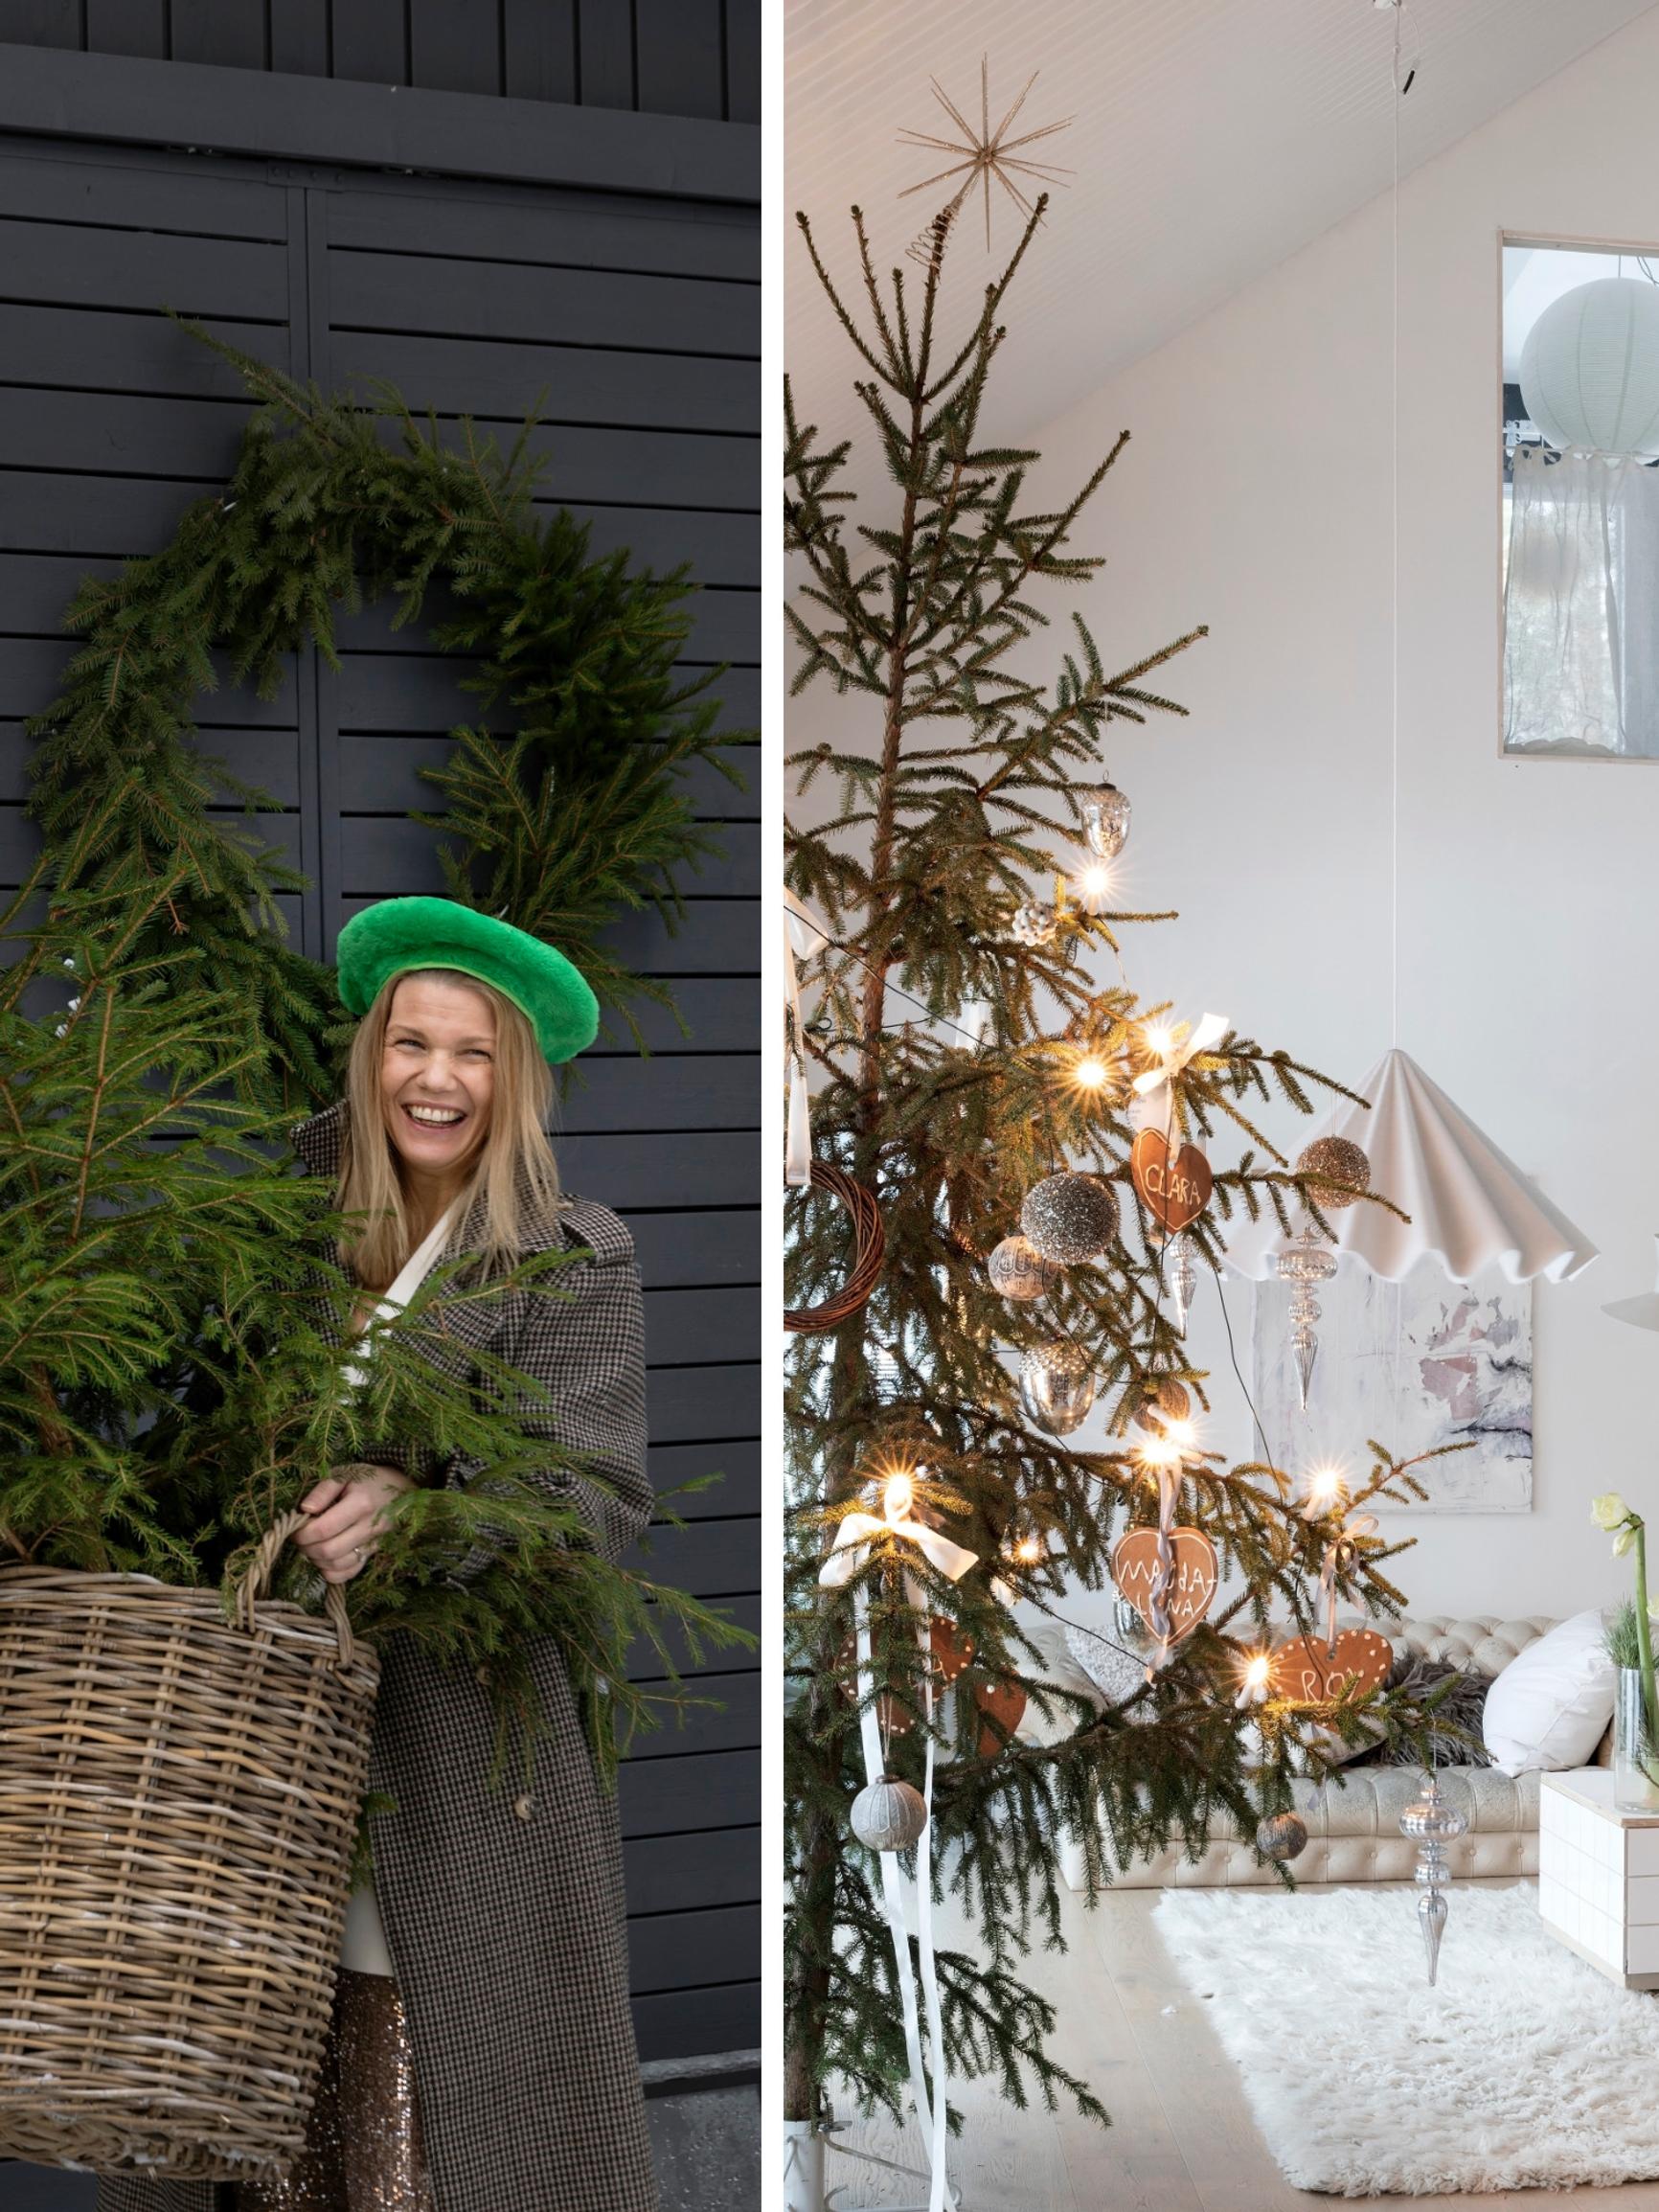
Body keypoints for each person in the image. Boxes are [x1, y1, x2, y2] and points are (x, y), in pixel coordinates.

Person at [99, 896, 659, 2212]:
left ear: (511, 1077)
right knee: (265, 2063)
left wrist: (424, 1513)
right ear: (376, 1053)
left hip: (458, 1747)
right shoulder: (289, 1227)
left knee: (422, 2094)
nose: (438, 1077)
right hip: (265, 1737)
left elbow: (596, 1498)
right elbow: (197, 1438)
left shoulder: (566, 1256)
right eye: (413, 1041)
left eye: (473, 1052)